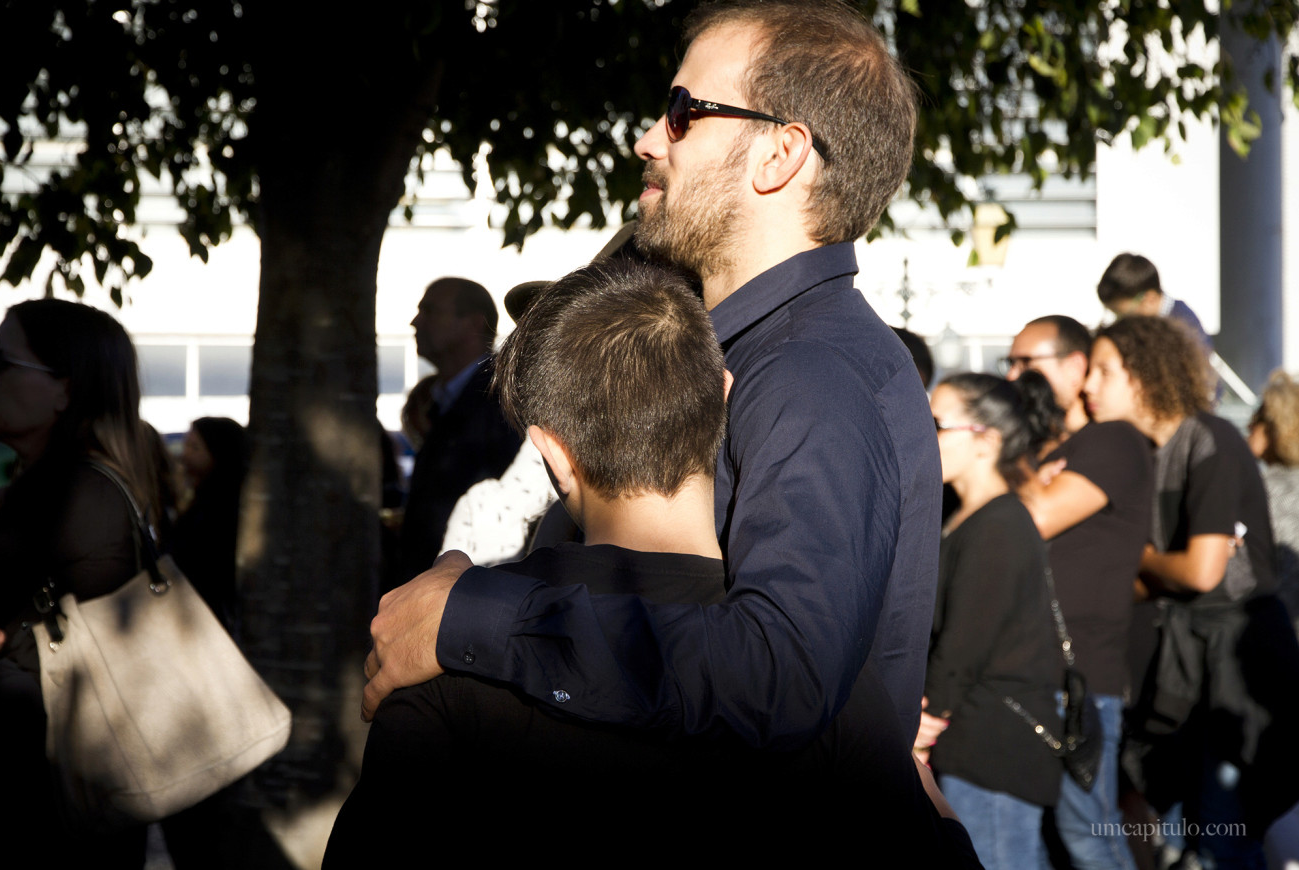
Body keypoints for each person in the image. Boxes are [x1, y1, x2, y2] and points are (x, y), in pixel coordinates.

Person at [363, 0, 940, 756]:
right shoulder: (764, 351)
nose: (647, 139)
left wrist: (472, 619)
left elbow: (783, 673)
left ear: (780, 155)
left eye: (681, 112)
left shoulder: (810, 372)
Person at [327, 259, 978, 863]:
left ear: (550, 455)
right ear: (723, 398)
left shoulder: (442, 656)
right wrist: (943, 830)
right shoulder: (816, 671)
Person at [1085, 315, 1299, 867]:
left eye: (1104, 370)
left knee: (1222, 839)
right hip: (1178, 670)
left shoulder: (1211, 440)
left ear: (1145, 376)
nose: (1089, 384)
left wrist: (1139, 559)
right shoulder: (1140, 451)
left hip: (1231, 670)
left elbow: (1203, 572)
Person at [0, 298, 158, 866]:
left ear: (64, 389)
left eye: (1, 362)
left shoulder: (76, 495)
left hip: (52, 807)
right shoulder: (58, 488)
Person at [1006, 315, 1152, 870]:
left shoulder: (1111, 440)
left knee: (1087, 837)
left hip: (1078, 679)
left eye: (1029, 363)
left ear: (1075, 367)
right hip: (1028, 675)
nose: (1017, 375)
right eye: (1011, 363)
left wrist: (1019, 475)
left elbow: (1031, 517)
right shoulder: (1045, 448)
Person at [918, 371, 1063, 868]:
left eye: (937, 422)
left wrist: (924, 722)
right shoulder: (962, 514)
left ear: (987, 440)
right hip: (972, 742)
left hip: (993, 751)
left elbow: (963, 645)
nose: (924, 432)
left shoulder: (1000, 525)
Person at [397, 277, 523, 582]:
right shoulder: (442, 399)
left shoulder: (503, 399)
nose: (415, 322)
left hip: (471, 586)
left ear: (473, 324)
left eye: (430, 311)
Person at [170, 416, 247, 631]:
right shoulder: (201, 504)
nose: (184, 456)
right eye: (186, 445)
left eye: (194, 448)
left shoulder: (218, 512)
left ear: (220, 454)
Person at [1248, 370, 1299, 637]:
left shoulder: (1266, 489)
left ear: (1275, 426)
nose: (1248, 425)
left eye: (1257, 418)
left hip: (1278, 635)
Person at [1097, 253, 1212, 351]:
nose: (1118, 324)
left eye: (1123, 316)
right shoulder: (1149, 327)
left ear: (1149, 299)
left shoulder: (1185, 331)